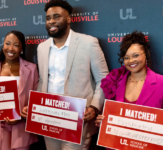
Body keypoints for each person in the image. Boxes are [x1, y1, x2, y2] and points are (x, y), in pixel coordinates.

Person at [21, 0, 109, 149]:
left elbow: (104, 80)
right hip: (49, 119)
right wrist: (33, 105)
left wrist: (94, 108)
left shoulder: (89, 43)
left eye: (57, 17)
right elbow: (43, 80)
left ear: (69, 19)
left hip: (77, 121)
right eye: (48, 18)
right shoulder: (42, 47)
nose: (52, 21)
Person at [95, 31, 163, 150]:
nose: (131, 61)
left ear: (146, 54)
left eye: (136, 55)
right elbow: (113, 118)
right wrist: (103, 121)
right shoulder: (116, 82)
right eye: (126, 57)